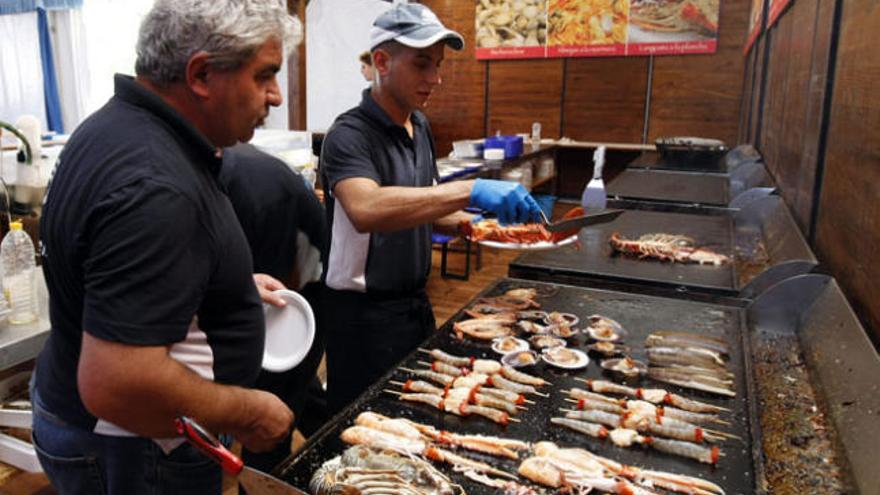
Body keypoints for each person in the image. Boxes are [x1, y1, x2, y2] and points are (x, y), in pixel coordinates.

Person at [33, 1, 301, 493]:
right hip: (137, 448)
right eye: (265, 75)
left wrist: (224, 287)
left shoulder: (119, 126)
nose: (276, 96)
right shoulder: (156, 185)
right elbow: (117, 381)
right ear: (201, 74)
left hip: (93, 418)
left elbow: (114, 268)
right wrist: (246, 410)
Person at [320, 3, 543, 414]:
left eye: (438, 65)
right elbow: (366, 208)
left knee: (415, 415)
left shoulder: (418, 125)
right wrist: (471, 190)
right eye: (422, 64)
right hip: (363, 319)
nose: (435, 79)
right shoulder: (348, 135)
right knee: (361, 425)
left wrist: (486, 226)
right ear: (382, 61)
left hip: (414, 307)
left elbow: (423, 203)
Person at [219, 143, 328, 473]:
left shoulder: (259, 191)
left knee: (269, 414)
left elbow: (280, 288)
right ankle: (333, 450)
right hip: (280, 283)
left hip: (298, 303)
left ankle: (263, 478)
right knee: (303, 396)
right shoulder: (215, 168)